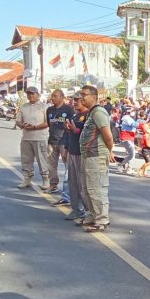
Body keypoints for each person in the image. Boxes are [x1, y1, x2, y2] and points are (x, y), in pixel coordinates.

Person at [78, 85, 115, 232]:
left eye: (85, 95)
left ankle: (101, 220)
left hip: (96, 156)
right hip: (88, 155)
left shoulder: (99, 112)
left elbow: (107, 135)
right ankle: (92, 215)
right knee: (87, 188)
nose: (82, 97)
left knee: (97, 188)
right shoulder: (90, 113)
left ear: (94, 96)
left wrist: (108, 151)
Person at [15, 87, 49, 189]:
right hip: (26, 137)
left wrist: (35, 127)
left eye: (33, 94)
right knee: (26, 160)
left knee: (42, 160)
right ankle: (27, 179)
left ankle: (46, 180)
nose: (31, 96)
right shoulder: (24, 107)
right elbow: (17, 121)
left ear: (38, 95)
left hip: (40, 137)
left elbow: (48, 122)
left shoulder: (44, 107)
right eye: (29, 94)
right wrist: (22, 125)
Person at [63, 92, 88, 221]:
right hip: (72, 151)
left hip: (81, 153)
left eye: (78, 100)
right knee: (72, 183)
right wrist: (66, 147)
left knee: (82, 184)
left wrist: (74, 130)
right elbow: (70, 133)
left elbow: (87, 133)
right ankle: (76, 209)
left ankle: (88, 211)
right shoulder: (75, 115)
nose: (75, 102)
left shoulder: (89, 115)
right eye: (74, 100)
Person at [45, 89, 75, 194]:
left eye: (55, 96)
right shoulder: (49, 110)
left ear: (62, 97)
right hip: (52, 141)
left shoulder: (69, 109)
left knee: (68, 166)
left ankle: (69, 190)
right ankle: (53, 185)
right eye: (52, 96)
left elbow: (72, 125)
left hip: (64, 142)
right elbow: (49, 123)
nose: (53, 98)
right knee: (51, 165)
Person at [118, 106, 137, 174]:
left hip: (130, 137)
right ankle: (121, 165)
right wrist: (142, 124)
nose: (134, 112)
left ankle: (128, 167)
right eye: (132, 110)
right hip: (126, 138)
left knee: (131, 154)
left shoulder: (129, 118)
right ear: (129, 111)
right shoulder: (126, 118)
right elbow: (133, 124)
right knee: (132, 154)